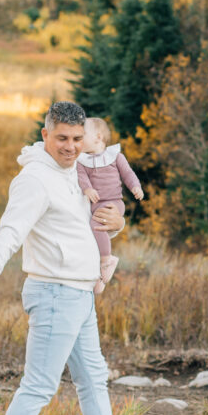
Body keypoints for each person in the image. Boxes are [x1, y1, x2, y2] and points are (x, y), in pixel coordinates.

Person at [0, 101, 162, 415]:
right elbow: (9, 232)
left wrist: (117, 224)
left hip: (79, 292)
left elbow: (83, 229)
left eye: (76, 139)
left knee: (92, 376)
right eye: (62, 139)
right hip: (55, 292)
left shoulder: (74, 173)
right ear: (45, 136)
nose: (70, 146)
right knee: (38, 384)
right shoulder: (36, 179)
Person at [77, 116, 145, 294]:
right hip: (96, 203)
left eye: (82, 135)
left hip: (114, 202)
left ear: (98, 137)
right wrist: (87, 189)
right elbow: (82, 178)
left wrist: (136, 187)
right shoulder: (82, 161)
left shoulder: (115, 156)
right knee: (95, 230)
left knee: (96, 225)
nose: (78, 139)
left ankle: (106, 260)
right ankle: (99, 276)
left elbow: (128, 174)